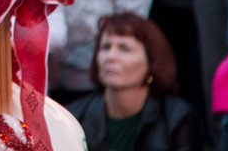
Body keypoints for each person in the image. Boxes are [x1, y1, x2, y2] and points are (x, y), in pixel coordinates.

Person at [65, 13, 202, 151]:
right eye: (105, 47)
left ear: (152, 62)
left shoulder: (177, 119)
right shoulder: (72, 116)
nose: (111, 57)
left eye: (125, 49)